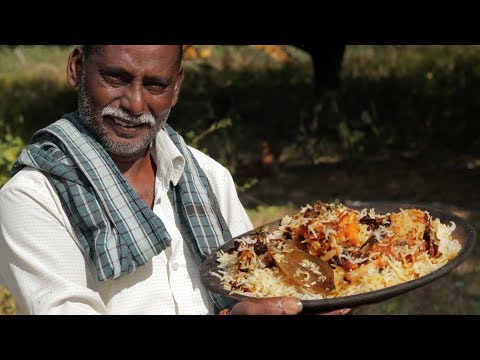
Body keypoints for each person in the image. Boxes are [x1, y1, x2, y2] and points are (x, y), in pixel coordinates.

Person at [0, 45, 349, 315]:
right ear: (77, 68)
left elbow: (255, 287)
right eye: (116, 78)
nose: (135, 105)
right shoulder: (32, 199)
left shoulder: (210, 177)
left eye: (155, 85)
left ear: (177, 86)